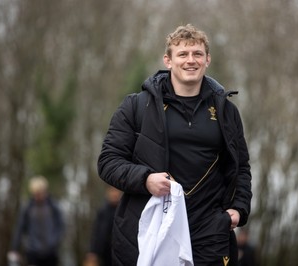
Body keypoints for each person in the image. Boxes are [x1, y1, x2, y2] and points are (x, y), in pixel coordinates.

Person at [97, 24, 252, 266]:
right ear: (168, 60)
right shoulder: (136, 107)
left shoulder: (226, 112)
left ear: (207, 59)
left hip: (209, 233)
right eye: (183, 54)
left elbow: (241, 166)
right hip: (152, 231)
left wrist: (239, 209)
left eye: (197, 54)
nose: (191, 60)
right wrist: (145, 179)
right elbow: (108, 162)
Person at [8, 176, 64, 266]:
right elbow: (19, 228)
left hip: (51, 252)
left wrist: (54, 241)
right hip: (32, 252)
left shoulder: (53, 207)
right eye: (35, 193)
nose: (37, 196)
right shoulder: (27, 208)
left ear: (45, 191)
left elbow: (60, 226)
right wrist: (15, 249)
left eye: (39, 193)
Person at [84, 186, 122, 266]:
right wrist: (93, 250)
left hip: (121, 250)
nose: (114, 194)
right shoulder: (103, 211)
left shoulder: (123, 210)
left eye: (116, 191)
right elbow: (97, 231)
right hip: (105, 252)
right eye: (112, 191)